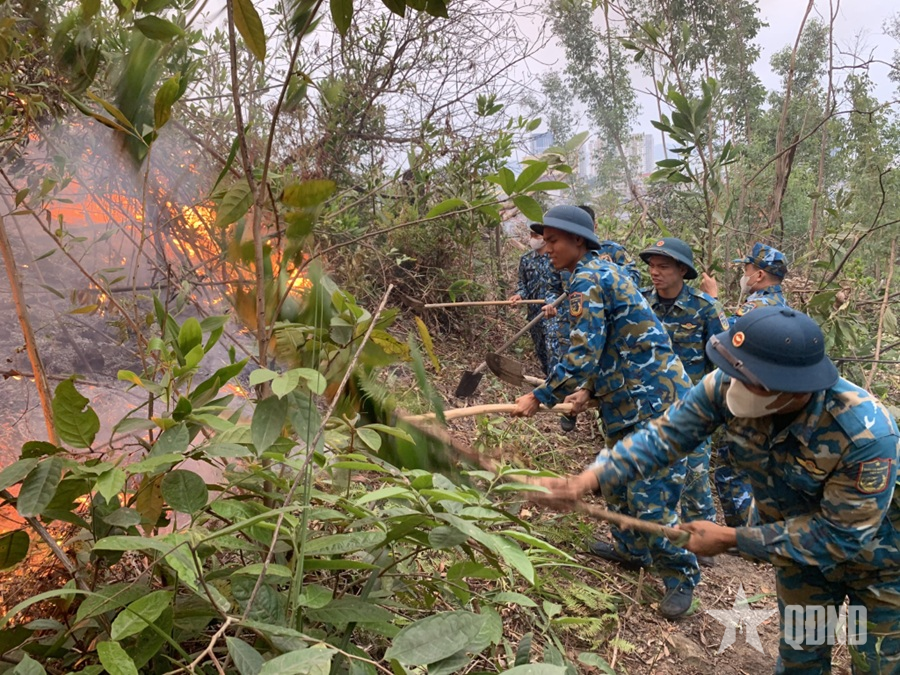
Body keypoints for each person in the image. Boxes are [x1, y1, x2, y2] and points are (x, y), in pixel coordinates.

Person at [533, 306, 900, 674]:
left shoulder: (864, 434)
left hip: (880, 566)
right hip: (798, 561)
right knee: (801, 658)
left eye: (749, 380)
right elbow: (664, 437)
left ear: (793, 386)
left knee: (877, 664)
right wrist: (588, 480)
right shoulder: (728, 385)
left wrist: (730, 538)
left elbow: (840, 535)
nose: (734, 386)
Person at [511, 204, 700, 619]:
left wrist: (539, 396)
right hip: (624, 399)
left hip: (653, 403)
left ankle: (681, 576)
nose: (546, 249)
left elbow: (582, 353)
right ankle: (632, 551)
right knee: (614, 483)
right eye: (544, 240)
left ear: (579, 241)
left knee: (651, 495)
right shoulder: (599, 272)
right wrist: (587, 392)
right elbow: (614, 344)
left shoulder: (588, 278)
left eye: (553, 240)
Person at [638, 238, 729, 558]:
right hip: (645, 404)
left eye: (663, 266)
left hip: (693, 409)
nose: (654, 272)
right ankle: (645, 542)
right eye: (651, 266)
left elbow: (725, 358)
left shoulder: (705, 307)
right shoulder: (640, 304)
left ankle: (704, 542)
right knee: (645, 475)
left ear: (682, 270)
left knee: (694, 476)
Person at [702, 241, 791, 527]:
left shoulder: (758, 306)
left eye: (747, 268)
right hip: (775, 397)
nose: (744, 273)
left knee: (730, 471)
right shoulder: (783, 306)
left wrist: (713, 300)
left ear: (760, 275)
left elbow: (727, 339)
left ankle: (743, 536)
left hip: (751, 397)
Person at [508, 227, 575, 433]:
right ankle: (552, 387)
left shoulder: (558, 258)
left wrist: (555, 303)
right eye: (532, 235)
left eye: (537, 236)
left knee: (557, 355)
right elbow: (522, 284)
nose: (533, 239)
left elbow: (564, 287)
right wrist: (519, 295)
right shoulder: (526, 259)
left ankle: (565, 407)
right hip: (535, 315)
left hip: (557, 316)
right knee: (543, 355)